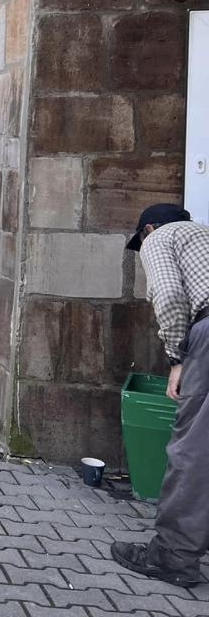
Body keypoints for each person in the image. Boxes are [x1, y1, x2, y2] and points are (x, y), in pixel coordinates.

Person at [111, 204, 209, 588]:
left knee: (195, 452)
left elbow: (168, 296)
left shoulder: (162, 237)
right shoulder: (203, 238)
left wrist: (176, 358)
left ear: (149, 228)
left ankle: (173, 557)